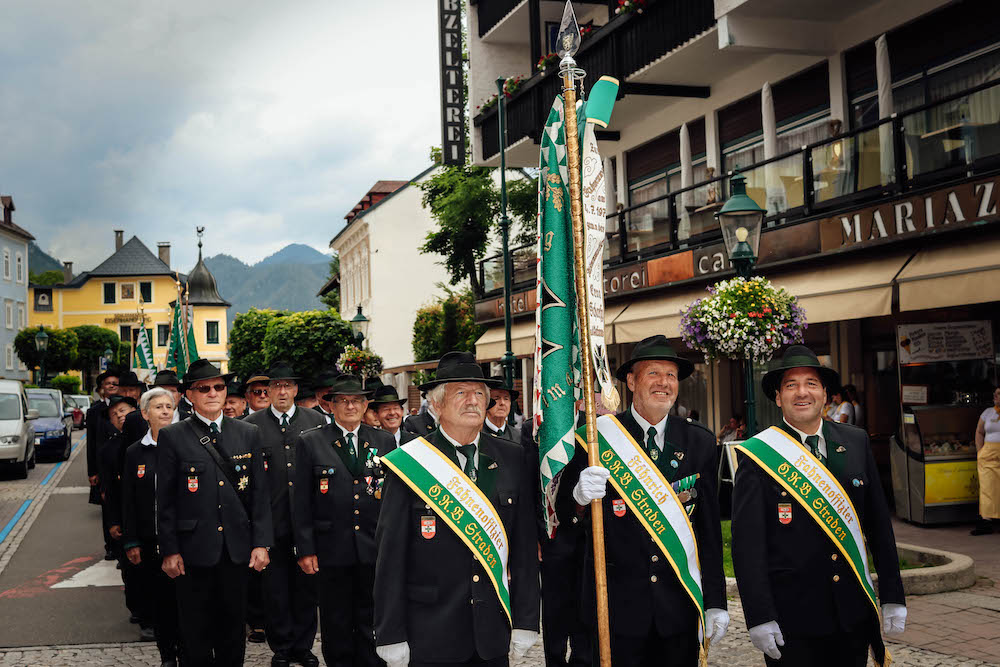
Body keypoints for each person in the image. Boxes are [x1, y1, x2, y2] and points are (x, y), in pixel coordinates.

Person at [558, 335, 728, 666]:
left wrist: (716, 600)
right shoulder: (596, 439)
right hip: (615, 608)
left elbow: (709, 532)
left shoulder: (700, 442)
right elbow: (565, 518)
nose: (664, 383)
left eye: (671, 375)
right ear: (632, 381)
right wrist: (577, 497)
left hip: (677, 608)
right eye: (653, 373)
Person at [731, 345, 906, 666]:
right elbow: (747, 547)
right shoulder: (758, 455)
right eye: (791, 385)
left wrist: (893, 594)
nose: (802, 392)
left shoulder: (855, 441)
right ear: (778, 397)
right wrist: (759, 615)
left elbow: (879, 525)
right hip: (791, 618)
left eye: (811, 383)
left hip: (852, 612)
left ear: (825, 394)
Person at [375, 351, 540, 667]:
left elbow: (523, 550)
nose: (473, 401)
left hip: (492, 632)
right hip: (430, 632)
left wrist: (527, 619)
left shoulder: (513, 457)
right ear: (435, 405)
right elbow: (391, 556)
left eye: (479, 393)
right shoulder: (410, 463)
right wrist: (389, 633)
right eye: (461, 393)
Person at [157, 359, 272, 666]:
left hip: (236, 549)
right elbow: (165, 501)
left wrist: (261, 543)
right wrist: (169, 550)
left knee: (232, 631)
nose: (212, 393)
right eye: (203, 388)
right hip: (193, 550)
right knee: (194, 632)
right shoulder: (173, 436)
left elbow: (260, 494)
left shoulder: (248, 433)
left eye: (218, 387)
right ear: (189, 396)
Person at [293, 374, 395, 667]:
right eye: (343, 401)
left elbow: (390, 497)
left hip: (372, 545)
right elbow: (301, 501)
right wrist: (306, 549)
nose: (350, 406)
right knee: (335, 619)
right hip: (330, 547)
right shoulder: (311, 442)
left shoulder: (384, 441)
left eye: (356, 401)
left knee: (370, 616)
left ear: (365, 406)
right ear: (332, 406)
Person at [244, 362, 326, 667]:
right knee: (275, 590)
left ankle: (304, 646)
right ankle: (281, 647)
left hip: (309, 520)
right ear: (268, 390)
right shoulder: (252, 425)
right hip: (272, 519)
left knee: (307, 588)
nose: (281, 391)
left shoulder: (316, 420)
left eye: (287, 386)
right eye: (275, 386)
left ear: (295, 390)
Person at [521, 419, 590, 667]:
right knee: (555, 611)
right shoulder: (536, 427)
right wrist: (534, 536)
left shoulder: (594, 425)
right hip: (552, 534)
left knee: (587, 607)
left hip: (589, 535)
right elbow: (528, 485)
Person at [121, 387, 182, 666]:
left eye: (169, 406)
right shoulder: (135, 452)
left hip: (185, 539)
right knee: (161, 603)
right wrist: (131, 540)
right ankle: (168, 655)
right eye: (158, 407)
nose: (165, 411)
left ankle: (191, 652)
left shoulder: (187, 445)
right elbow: (129, 500)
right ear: (145, 414)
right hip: (150, 540)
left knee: (187, 602)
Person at [100, 395, 143, 630]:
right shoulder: (111, 449)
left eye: (123, 410)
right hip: (126, 516)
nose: (119, 416)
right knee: (131, 567)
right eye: (114, 414)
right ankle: (137, 609)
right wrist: (113, 521)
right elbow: (110, 491)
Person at [88, 369, 120, 559]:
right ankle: (109, 545)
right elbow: (91, 442)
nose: (112, 386)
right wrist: (92, 471)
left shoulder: (126, 407)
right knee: (107, 505)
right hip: (102, 463)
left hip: (120, 463)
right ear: (102, 388)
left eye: (115, 383)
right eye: (108, 383)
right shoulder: (94, 411)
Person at [972, 386, 1000, 535]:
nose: (996, 396)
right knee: (987, 487)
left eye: (999, 394)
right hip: (988, 454)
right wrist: (980, 451)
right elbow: (979, 431)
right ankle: (985, 522)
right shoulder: (987, 413)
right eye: (995, 393)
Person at [483, 376, 518, 442]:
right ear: (486, 403)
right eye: (496, 398)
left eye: (506, 399)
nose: (502, 403)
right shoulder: (475, 435)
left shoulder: (518, 436)